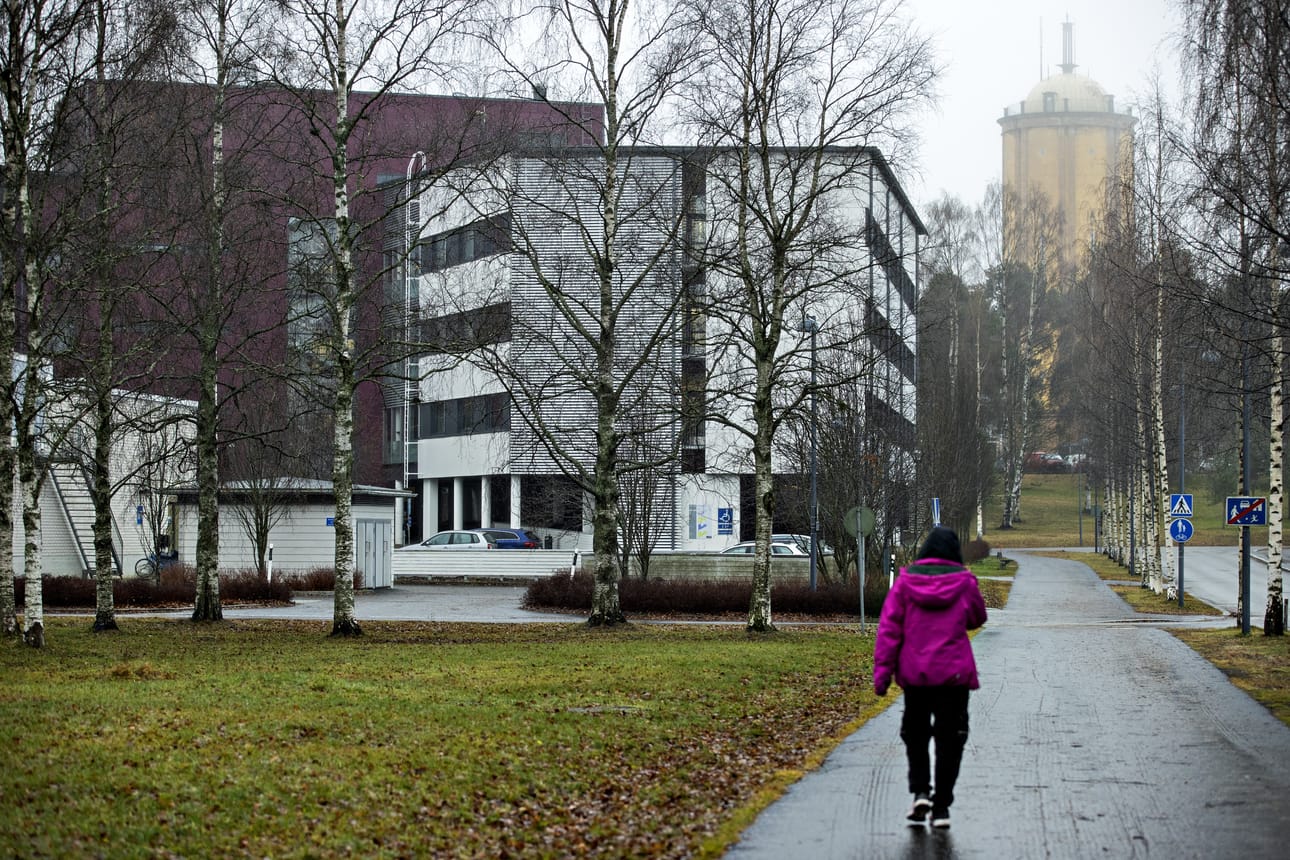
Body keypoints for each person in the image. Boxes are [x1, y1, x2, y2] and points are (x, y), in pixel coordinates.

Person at [872, 527, 987, 830]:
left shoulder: (906, 583)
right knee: (951, 740)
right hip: (954, 676)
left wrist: (882, 676)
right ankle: (942, 806)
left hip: (916, 676)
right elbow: (978, 618)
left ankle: (921, 791)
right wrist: (970, 582)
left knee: (916, 734)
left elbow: (889, 630)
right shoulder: (964, 583)